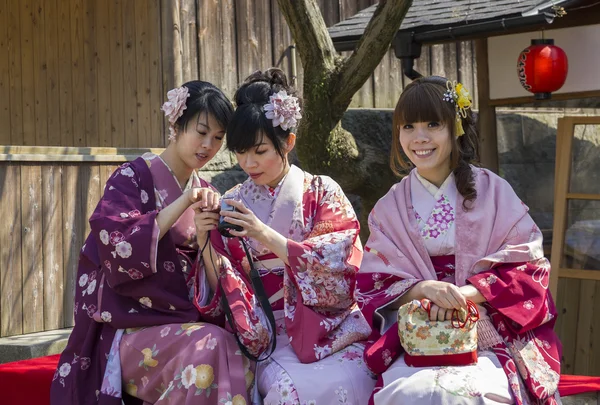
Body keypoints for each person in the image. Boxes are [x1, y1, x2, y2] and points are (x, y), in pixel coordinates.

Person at [356, 76, 562, 405]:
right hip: (421, 330)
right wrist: (425, 290)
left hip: (485, 326)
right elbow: (373, 284)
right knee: (406, 392)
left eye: (433, 124)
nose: (419, 138)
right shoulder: (389, 206)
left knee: (469, 395)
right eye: (408, 126)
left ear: (456, 127)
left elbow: (528, 269)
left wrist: (458, 295)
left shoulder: (494, 191)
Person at [50, 81, 253, 405]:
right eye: (201, 132)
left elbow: (212, 278)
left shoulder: (207, 189)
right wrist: (183, 202)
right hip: (129, 329)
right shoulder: (132, 179)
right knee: (209, 346)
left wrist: (204, 240)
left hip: (182, 322)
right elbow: (116, 248)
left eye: (217, 138)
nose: (208, 145)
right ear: (175, 124)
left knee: (234, 350)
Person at [193, 68, 376, 404]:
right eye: (240, 151)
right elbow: (227, 284)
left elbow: (343, 264)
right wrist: (206, 240)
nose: (248, 162)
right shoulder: (233, 201)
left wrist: (263, 234)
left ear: (288, 142)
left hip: (329, 330)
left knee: (367, 376)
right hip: (269, 334)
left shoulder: (323, 191)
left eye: (260, 151)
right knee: (292, 391)